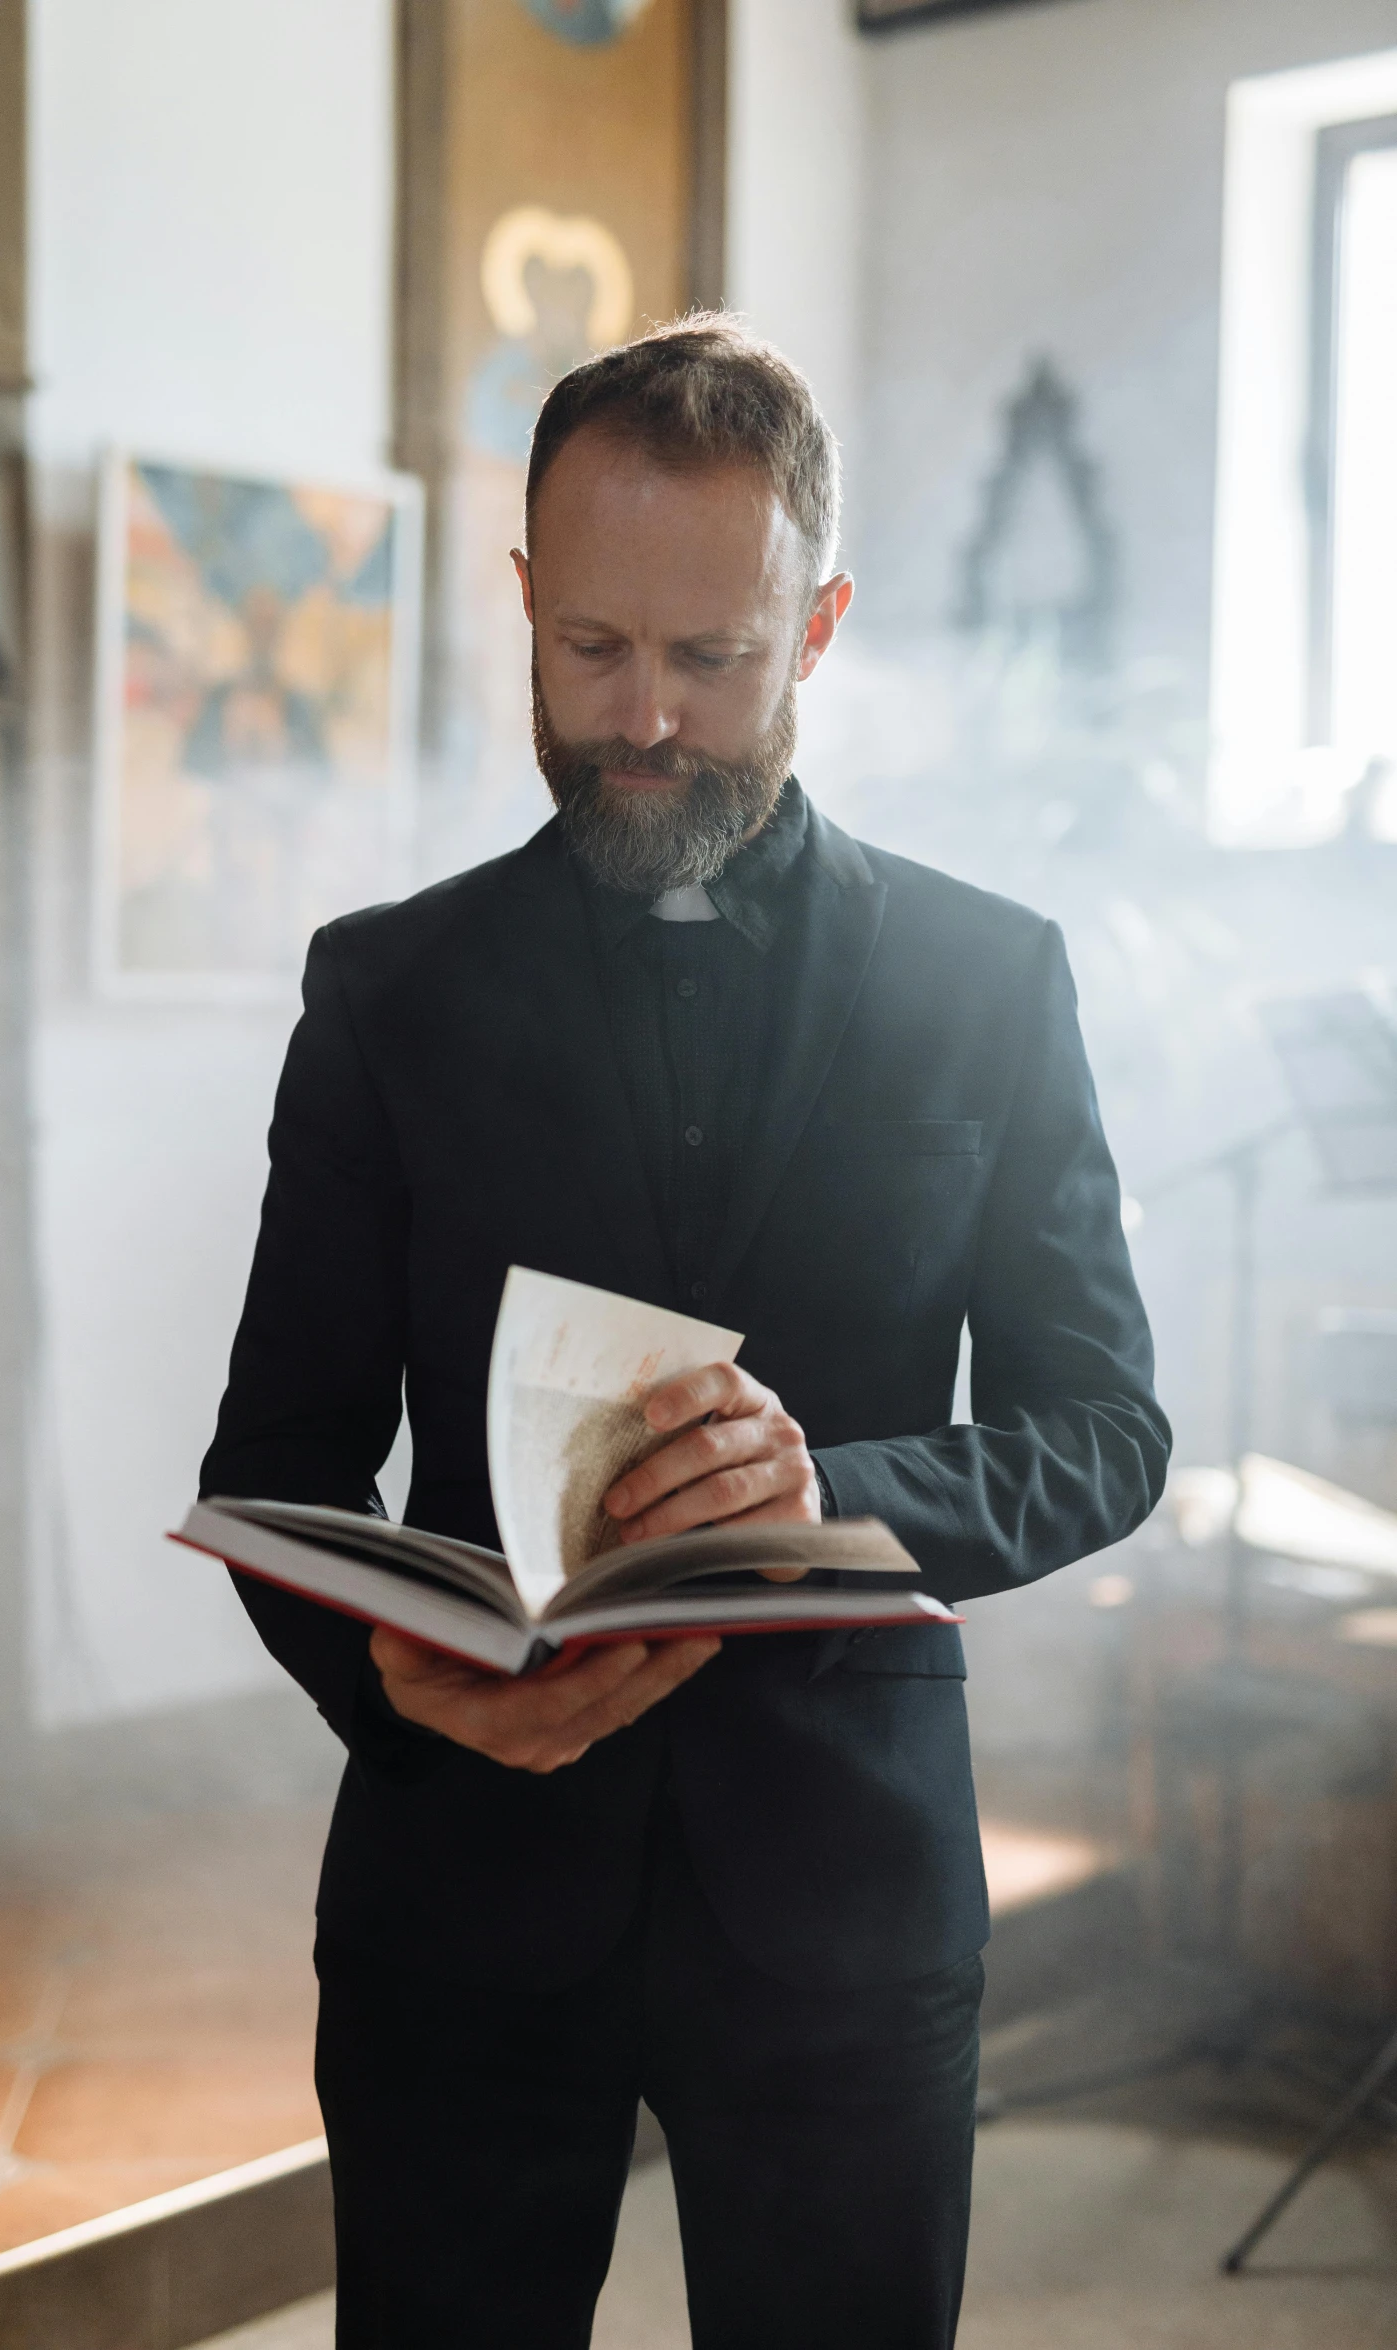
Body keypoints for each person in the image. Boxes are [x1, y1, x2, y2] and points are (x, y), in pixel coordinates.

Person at [201, 315, 1170, 2350]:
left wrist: (836, 1489)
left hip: (843, 1901)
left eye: (712, 658)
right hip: (459, 1899)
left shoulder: (995, 983)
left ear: (815, 624)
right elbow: (274, 1470)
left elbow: (1104, 1424)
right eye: (594, 650)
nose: (644, 718)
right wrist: (394, 1679)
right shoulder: (385, 993)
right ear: (529, 600)